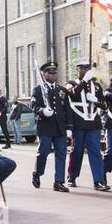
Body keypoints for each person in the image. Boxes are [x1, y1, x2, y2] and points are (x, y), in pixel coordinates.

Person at [67, 63, 108, 191]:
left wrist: (95, 100)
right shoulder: (71, 83)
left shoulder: (96, 86)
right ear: (77, 70)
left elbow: (105, 105)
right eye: (81, 69)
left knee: (95, 151)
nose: (84, 71)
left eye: (86, 69)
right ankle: (71, 177)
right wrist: (83, 82)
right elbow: (72, 95)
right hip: (78, 122)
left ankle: (99, 180)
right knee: (77, 151)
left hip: (93, 123)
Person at [30, 62, 70, 191]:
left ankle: (59, 181)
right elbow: (33, 106)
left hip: (60, 128)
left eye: (54, 73)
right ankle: (37, 173)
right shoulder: (38, 89)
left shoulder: (62, 90)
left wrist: (69, 127)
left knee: (61, 154)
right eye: (50, 73)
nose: (53, 75)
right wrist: (42, 111)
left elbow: (67, 110)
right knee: (43, 152)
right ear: (44, 74)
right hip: (46, 127)